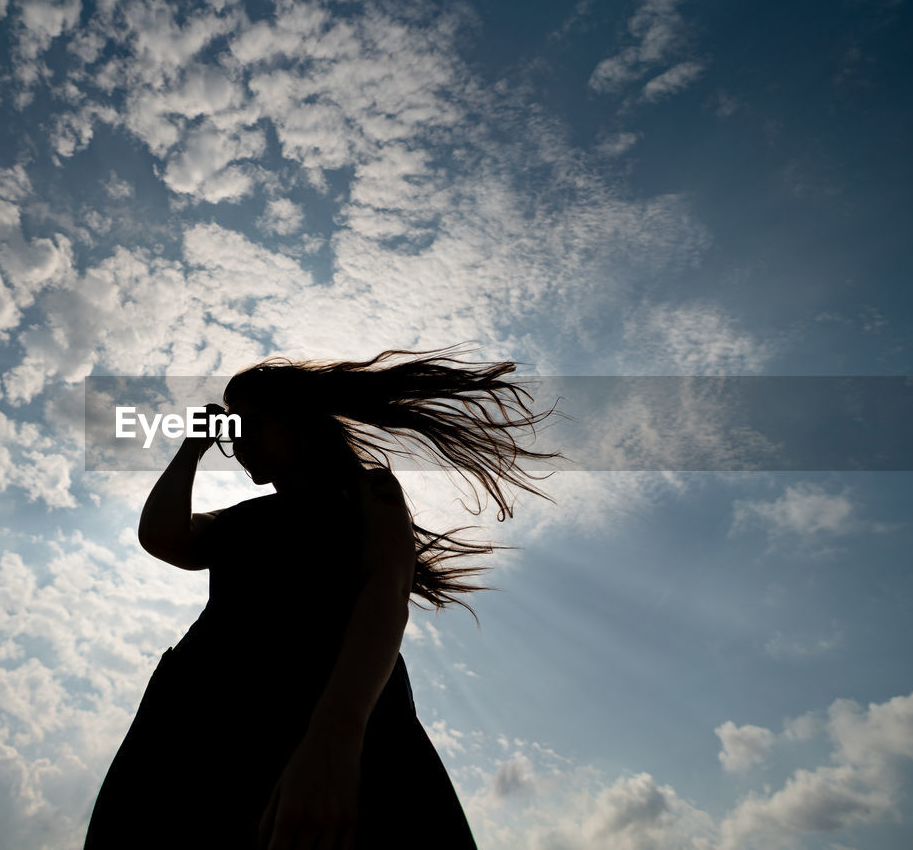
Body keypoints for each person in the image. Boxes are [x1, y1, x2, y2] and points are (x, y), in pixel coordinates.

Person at [82, 346, 559, 850]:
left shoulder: (369, 495)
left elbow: (386, 594)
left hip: (325, 705)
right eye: (231, 434)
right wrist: (192, 447)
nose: (239, 445)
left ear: (300, 421)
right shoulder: (236, 519)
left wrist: (337, 733)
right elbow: (163, 537)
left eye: (251, 425)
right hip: (198, 719)